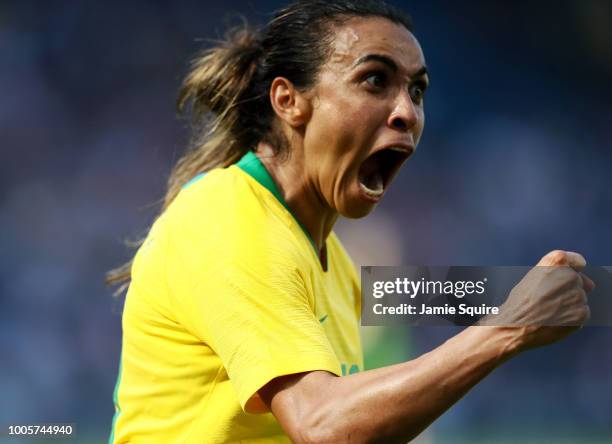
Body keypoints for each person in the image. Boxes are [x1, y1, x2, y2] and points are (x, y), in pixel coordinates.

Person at [107, 1, 594, 442]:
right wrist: (506, 328)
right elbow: (323, 426)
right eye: (375, 80)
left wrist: (554, 296)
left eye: (417, 90)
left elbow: (428, 296)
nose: (407, 112)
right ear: (289, 101)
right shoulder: (228, 217)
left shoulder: (329, 259)